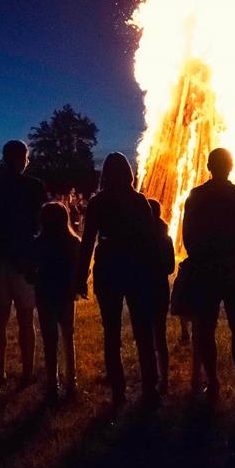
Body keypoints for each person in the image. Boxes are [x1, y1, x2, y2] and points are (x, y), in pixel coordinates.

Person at [78, 153, 158, 405]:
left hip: (108, 268)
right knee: (143, 329)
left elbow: (88, 240)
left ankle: (118, 389)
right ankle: (149, 386)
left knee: (111, 330)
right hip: (135, 268)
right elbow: (150, 238)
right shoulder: (138, 201)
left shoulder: (98, 202)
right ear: (128, 173)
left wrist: (81, 274)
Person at [182, 148, 235, 404]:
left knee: (206, 327)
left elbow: (188, 235)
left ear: (208, 166)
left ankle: (213, 380)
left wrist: (200, 260)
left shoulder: (196, 196)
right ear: (231, 166)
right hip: (233, 268)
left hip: (206, 269)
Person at [0, 140, 45, 386]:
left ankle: (0, 371)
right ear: (22, 158)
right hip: (24, 259)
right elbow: (40, 223)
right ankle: (26, 372)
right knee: (26, 317)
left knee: (0, 317)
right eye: (26, 156)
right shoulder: (34, 186)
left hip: (1, 257)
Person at [32, 202, 81, 403]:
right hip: (66, 295)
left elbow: (29, 271)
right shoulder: (73, 242)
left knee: (49, 341)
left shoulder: (38, 244)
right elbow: (80, 269)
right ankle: (72, 381)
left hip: (45, 294)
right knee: (68, 338)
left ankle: (53, 384)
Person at [147, 199, 174, 395]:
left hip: (143, 287)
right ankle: (163, 378)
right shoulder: (166, 237)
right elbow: (170, 267)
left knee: (146, 335)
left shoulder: (140, 236)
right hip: (161, 287)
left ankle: (151, 376)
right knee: (160, 334)